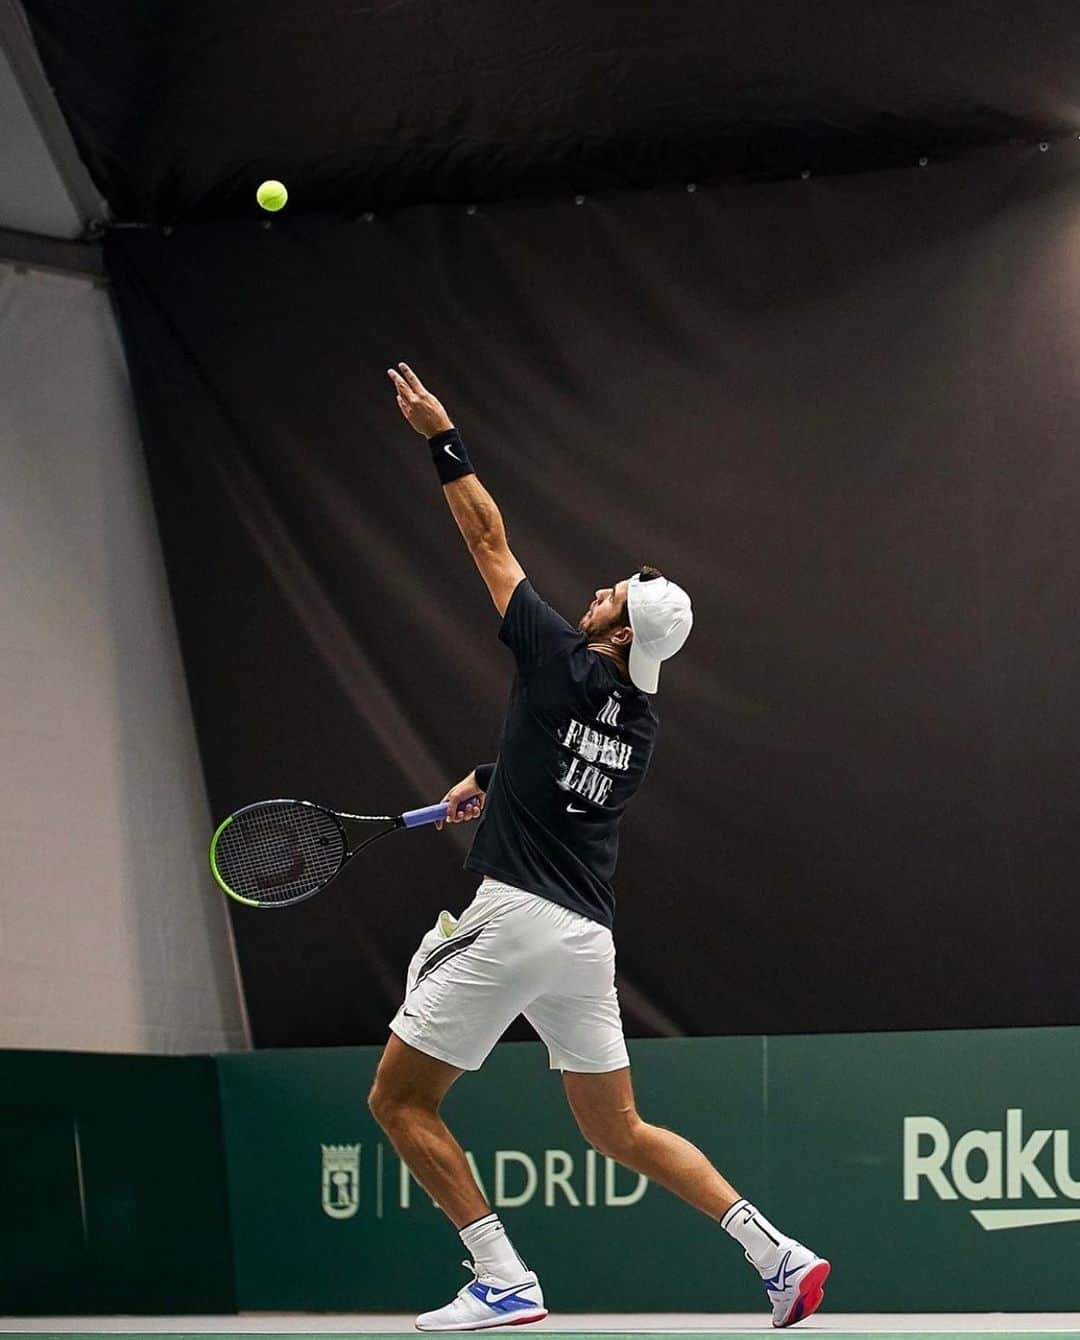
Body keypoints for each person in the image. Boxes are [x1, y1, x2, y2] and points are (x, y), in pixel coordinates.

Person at [369, 362, 830, 1332]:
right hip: (584, 938)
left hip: (515, 914)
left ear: (617, 633)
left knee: (400, 1099)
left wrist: (441, 434)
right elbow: (565, 773)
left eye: (613, 594)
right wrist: (489, 783)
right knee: (615, 1127)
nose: (597, 591)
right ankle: (776, 1253)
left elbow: (486, 536)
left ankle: (502, 1276)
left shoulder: (554, 651)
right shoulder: (644, 719)